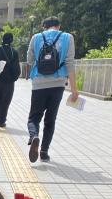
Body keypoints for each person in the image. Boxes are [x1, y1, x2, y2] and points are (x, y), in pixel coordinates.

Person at [26, 16, 79, 163]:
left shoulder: (36, 37)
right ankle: (44, 152)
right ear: (59, 26)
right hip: (58, 85)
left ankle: (34, 136)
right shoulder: (68, 37)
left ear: (44, 27)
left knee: (34, 117)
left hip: (38, 84)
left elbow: (29, 60)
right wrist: (74, 90)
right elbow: (70, 63)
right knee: (50, 119)